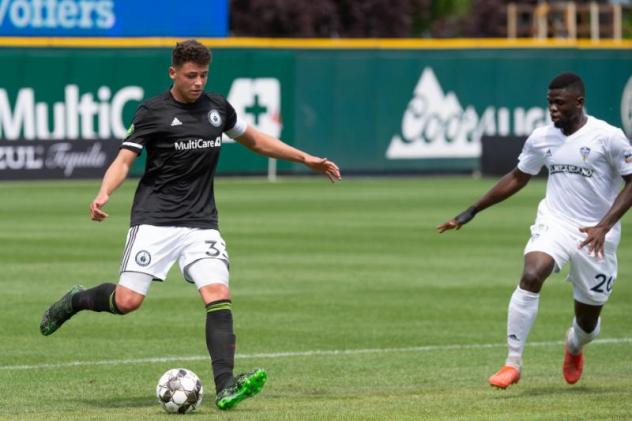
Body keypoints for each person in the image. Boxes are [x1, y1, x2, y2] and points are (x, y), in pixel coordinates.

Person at [40, 39, 341, 409]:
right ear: (173, 73)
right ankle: (76, 299)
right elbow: (123, 161)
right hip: (155, 220)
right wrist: (104, 193)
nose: (198, 82)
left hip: (202, 223)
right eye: (190, 75)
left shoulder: (217, 108)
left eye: (203, 75)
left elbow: (257, 141)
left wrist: (306, 158)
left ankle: (226, 385)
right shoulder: (151, 112)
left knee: (217, 295)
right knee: (127, 301)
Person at [437, 72, 632, 389]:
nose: (553, 109)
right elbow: (517, 177)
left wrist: (604, 226)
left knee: (588, 321)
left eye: (559, 103)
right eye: (549, 103)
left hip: (597, 235)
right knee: (531, 273)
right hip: (555, 222)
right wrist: (471, 211)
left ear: (578, 103)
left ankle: (574, 345)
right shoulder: (542, 138)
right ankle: (512, 362)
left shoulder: (608, 138)